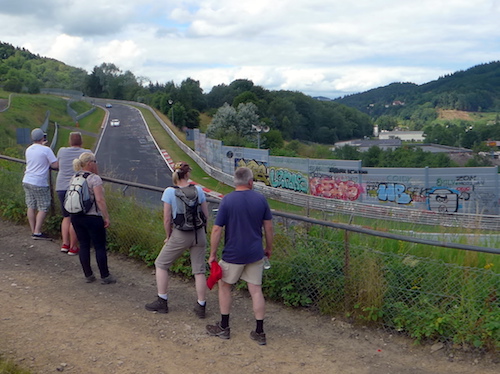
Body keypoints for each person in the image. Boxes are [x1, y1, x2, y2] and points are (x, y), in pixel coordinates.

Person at [206, 167, 273, 345]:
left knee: (225, 286)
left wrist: (212, 254)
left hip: (233, 253)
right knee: (256, 290)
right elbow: (268, 227)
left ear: (235, 182)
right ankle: (259, 332)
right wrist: (268, 248)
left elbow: (217, 229)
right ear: (250, 182)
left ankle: (224, 327)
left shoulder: (227, 201)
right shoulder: (260, 199)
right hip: (255, 253)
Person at [145, 161, 209, 318]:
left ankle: (162, 300)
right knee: (199, 270)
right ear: (188, 174)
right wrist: (203, 232)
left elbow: (167, 219)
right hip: (198, 233)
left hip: (181, 234)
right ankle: (201, 305)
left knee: (161, 264)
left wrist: (168, 236)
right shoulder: (198, 190)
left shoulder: (169, 192)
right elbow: (206, 215)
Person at [70, 152, 115, 284]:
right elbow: (99, 199)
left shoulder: (75, 176)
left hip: (77, 215)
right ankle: (105, 275)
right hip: (92, 216)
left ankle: (88, 274)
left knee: (84, 244)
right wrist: (106, 216)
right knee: (99, 246)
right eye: (95, 162)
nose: (96, 164)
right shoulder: (94, 179)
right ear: (90, 164)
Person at [56, 132, 90, 255]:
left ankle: (65, 244)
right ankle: (73, 246)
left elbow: (57, 164)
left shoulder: (62, 151)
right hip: (77, 188)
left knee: (66, 217)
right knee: (75, 218)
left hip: (61, 187)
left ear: (70, 142)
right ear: (81, 142)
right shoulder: (86, 153)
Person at [22, 128, 59, 240]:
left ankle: (33, 229)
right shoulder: (46, 150)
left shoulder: (28, 149)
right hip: (39, 181)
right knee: (43, 206)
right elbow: (55, 165)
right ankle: (37, 232)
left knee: (31, 205)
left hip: (27, 179)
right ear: (43, 137)